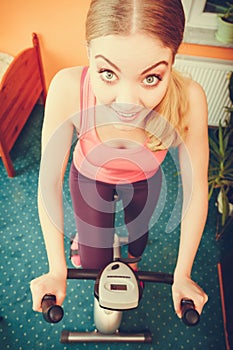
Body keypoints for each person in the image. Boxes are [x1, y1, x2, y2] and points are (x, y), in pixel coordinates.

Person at [30, 0, 209, 319]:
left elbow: (196, 191)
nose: (128, 104)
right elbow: (48, 182)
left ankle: (133, 260)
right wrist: (56, 268)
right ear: (88, 53)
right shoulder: (68, 88)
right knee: (94, 259)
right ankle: (84, 248)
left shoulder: (190, 98)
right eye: (108, 73)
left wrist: (183, 272)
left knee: (138, 238)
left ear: (172, 59)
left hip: (144, 180)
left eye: (151, 78)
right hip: (88, 176)